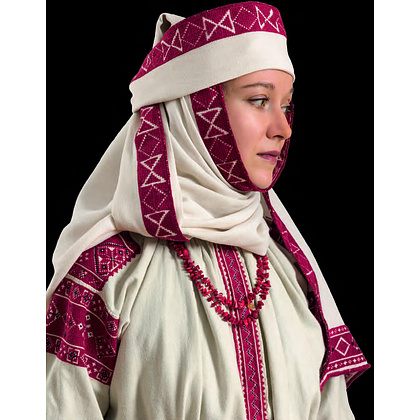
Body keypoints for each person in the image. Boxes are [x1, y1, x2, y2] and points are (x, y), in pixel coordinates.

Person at [46, 2, 369, 419]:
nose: (283, 128)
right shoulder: (110, 271)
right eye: (259, 100)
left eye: (287, 105)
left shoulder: (289, 269)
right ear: (197, 108)